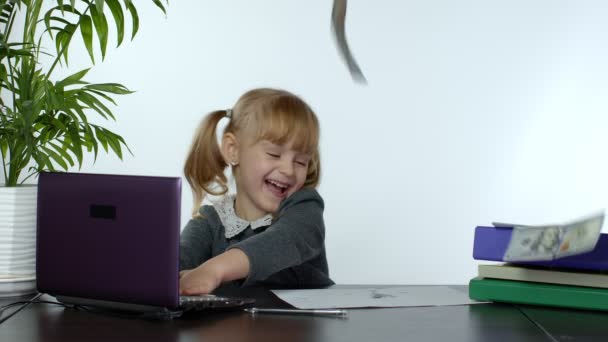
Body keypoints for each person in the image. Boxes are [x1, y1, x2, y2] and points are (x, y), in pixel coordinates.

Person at [179, 88, 334, 295]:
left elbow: (283, 240)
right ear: (233, 150)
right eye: (274, 154)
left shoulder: (304, 209)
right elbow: (174, 265)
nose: (288, 170)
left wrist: (215, 270)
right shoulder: (209, 221)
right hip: (231, 328)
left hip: (300, 326)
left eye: (300, 161)